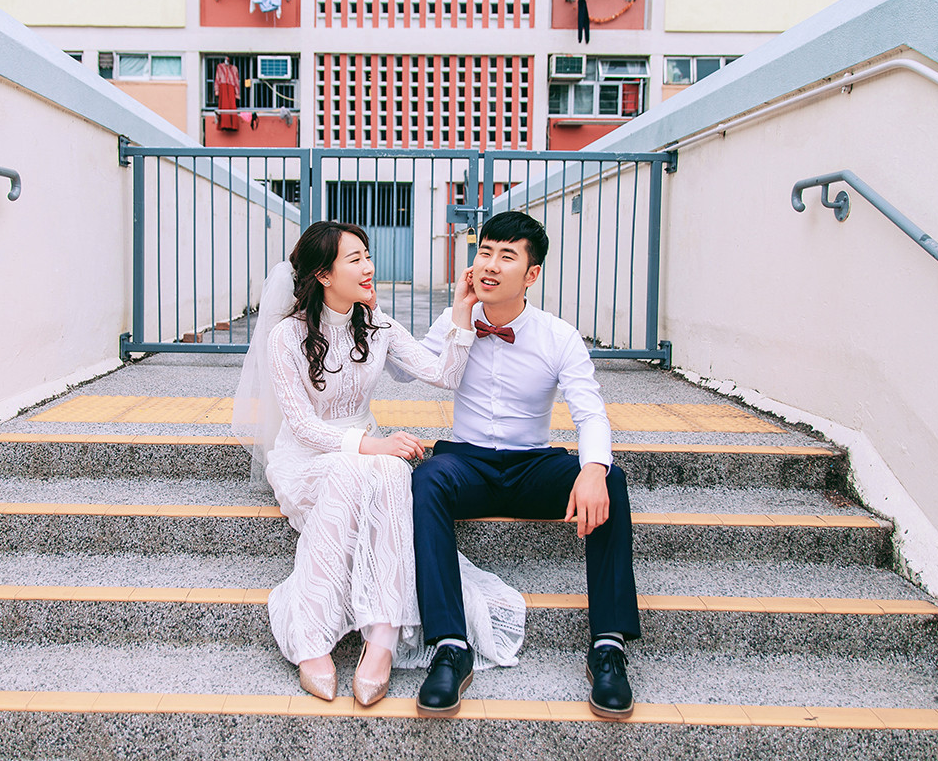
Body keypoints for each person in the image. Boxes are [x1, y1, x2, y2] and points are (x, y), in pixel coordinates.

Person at [232, 221, 524, 706]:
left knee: (391, 470)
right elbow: (302, 427)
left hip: (366, 453)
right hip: (307, 459)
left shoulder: (378, 325)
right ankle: (311, 635)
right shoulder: (286, 336)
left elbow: (444, 374)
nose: (369, 266)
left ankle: (383, 636)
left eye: (367, 255)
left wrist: (462, 311)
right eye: (355, 259)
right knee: (364, 466)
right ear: (324, 274)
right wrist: (371, 445)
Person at [406, 210, 641, 718]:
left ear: (531, 273)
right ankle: (449, 645)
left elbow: (590, 412)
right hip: (467, 463)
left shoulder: (558, 336)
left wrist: (593, 470)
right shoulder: (454, 320)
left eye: (506, 256)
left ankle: (608, 646)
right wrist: (456, 316)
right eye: (484, 252)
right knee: (426, 479)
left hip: (532, 465)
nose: (490, 265)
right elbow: (408, 373)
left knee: (612, 478)